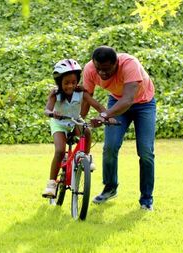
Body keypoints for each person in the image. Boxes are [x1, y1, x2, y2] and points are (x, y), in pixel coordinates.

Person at [81, 46, 156, 211]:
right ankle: (110, 188)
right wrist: (79, 121)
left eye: (107, 69)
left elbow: (128, 99)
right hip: (116, 102)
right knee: (110, 147)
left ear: (117, 63)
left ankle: (146, 199)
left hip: (144, 104)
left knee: (145, 151)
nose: (102, 73)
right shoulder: (90, 69)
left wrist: (104, 115)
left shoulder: (130, 64)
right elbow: (87, 97)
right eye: (99, 69)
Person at [42, 59, 111, 198]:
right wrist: (52, 113)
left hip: (74, 121)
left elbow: (97, 105)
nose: (70, 86)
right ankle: (51, 184)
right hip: (59, 124)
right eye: (66, 83)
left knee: (86, 130)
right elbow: (47, 109)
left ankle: (85, 157)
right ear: (59, 82)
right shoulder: (55, 94)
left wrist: (106, 116)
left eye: (74, 82)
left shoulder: (81, 93)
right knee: (60, 150)